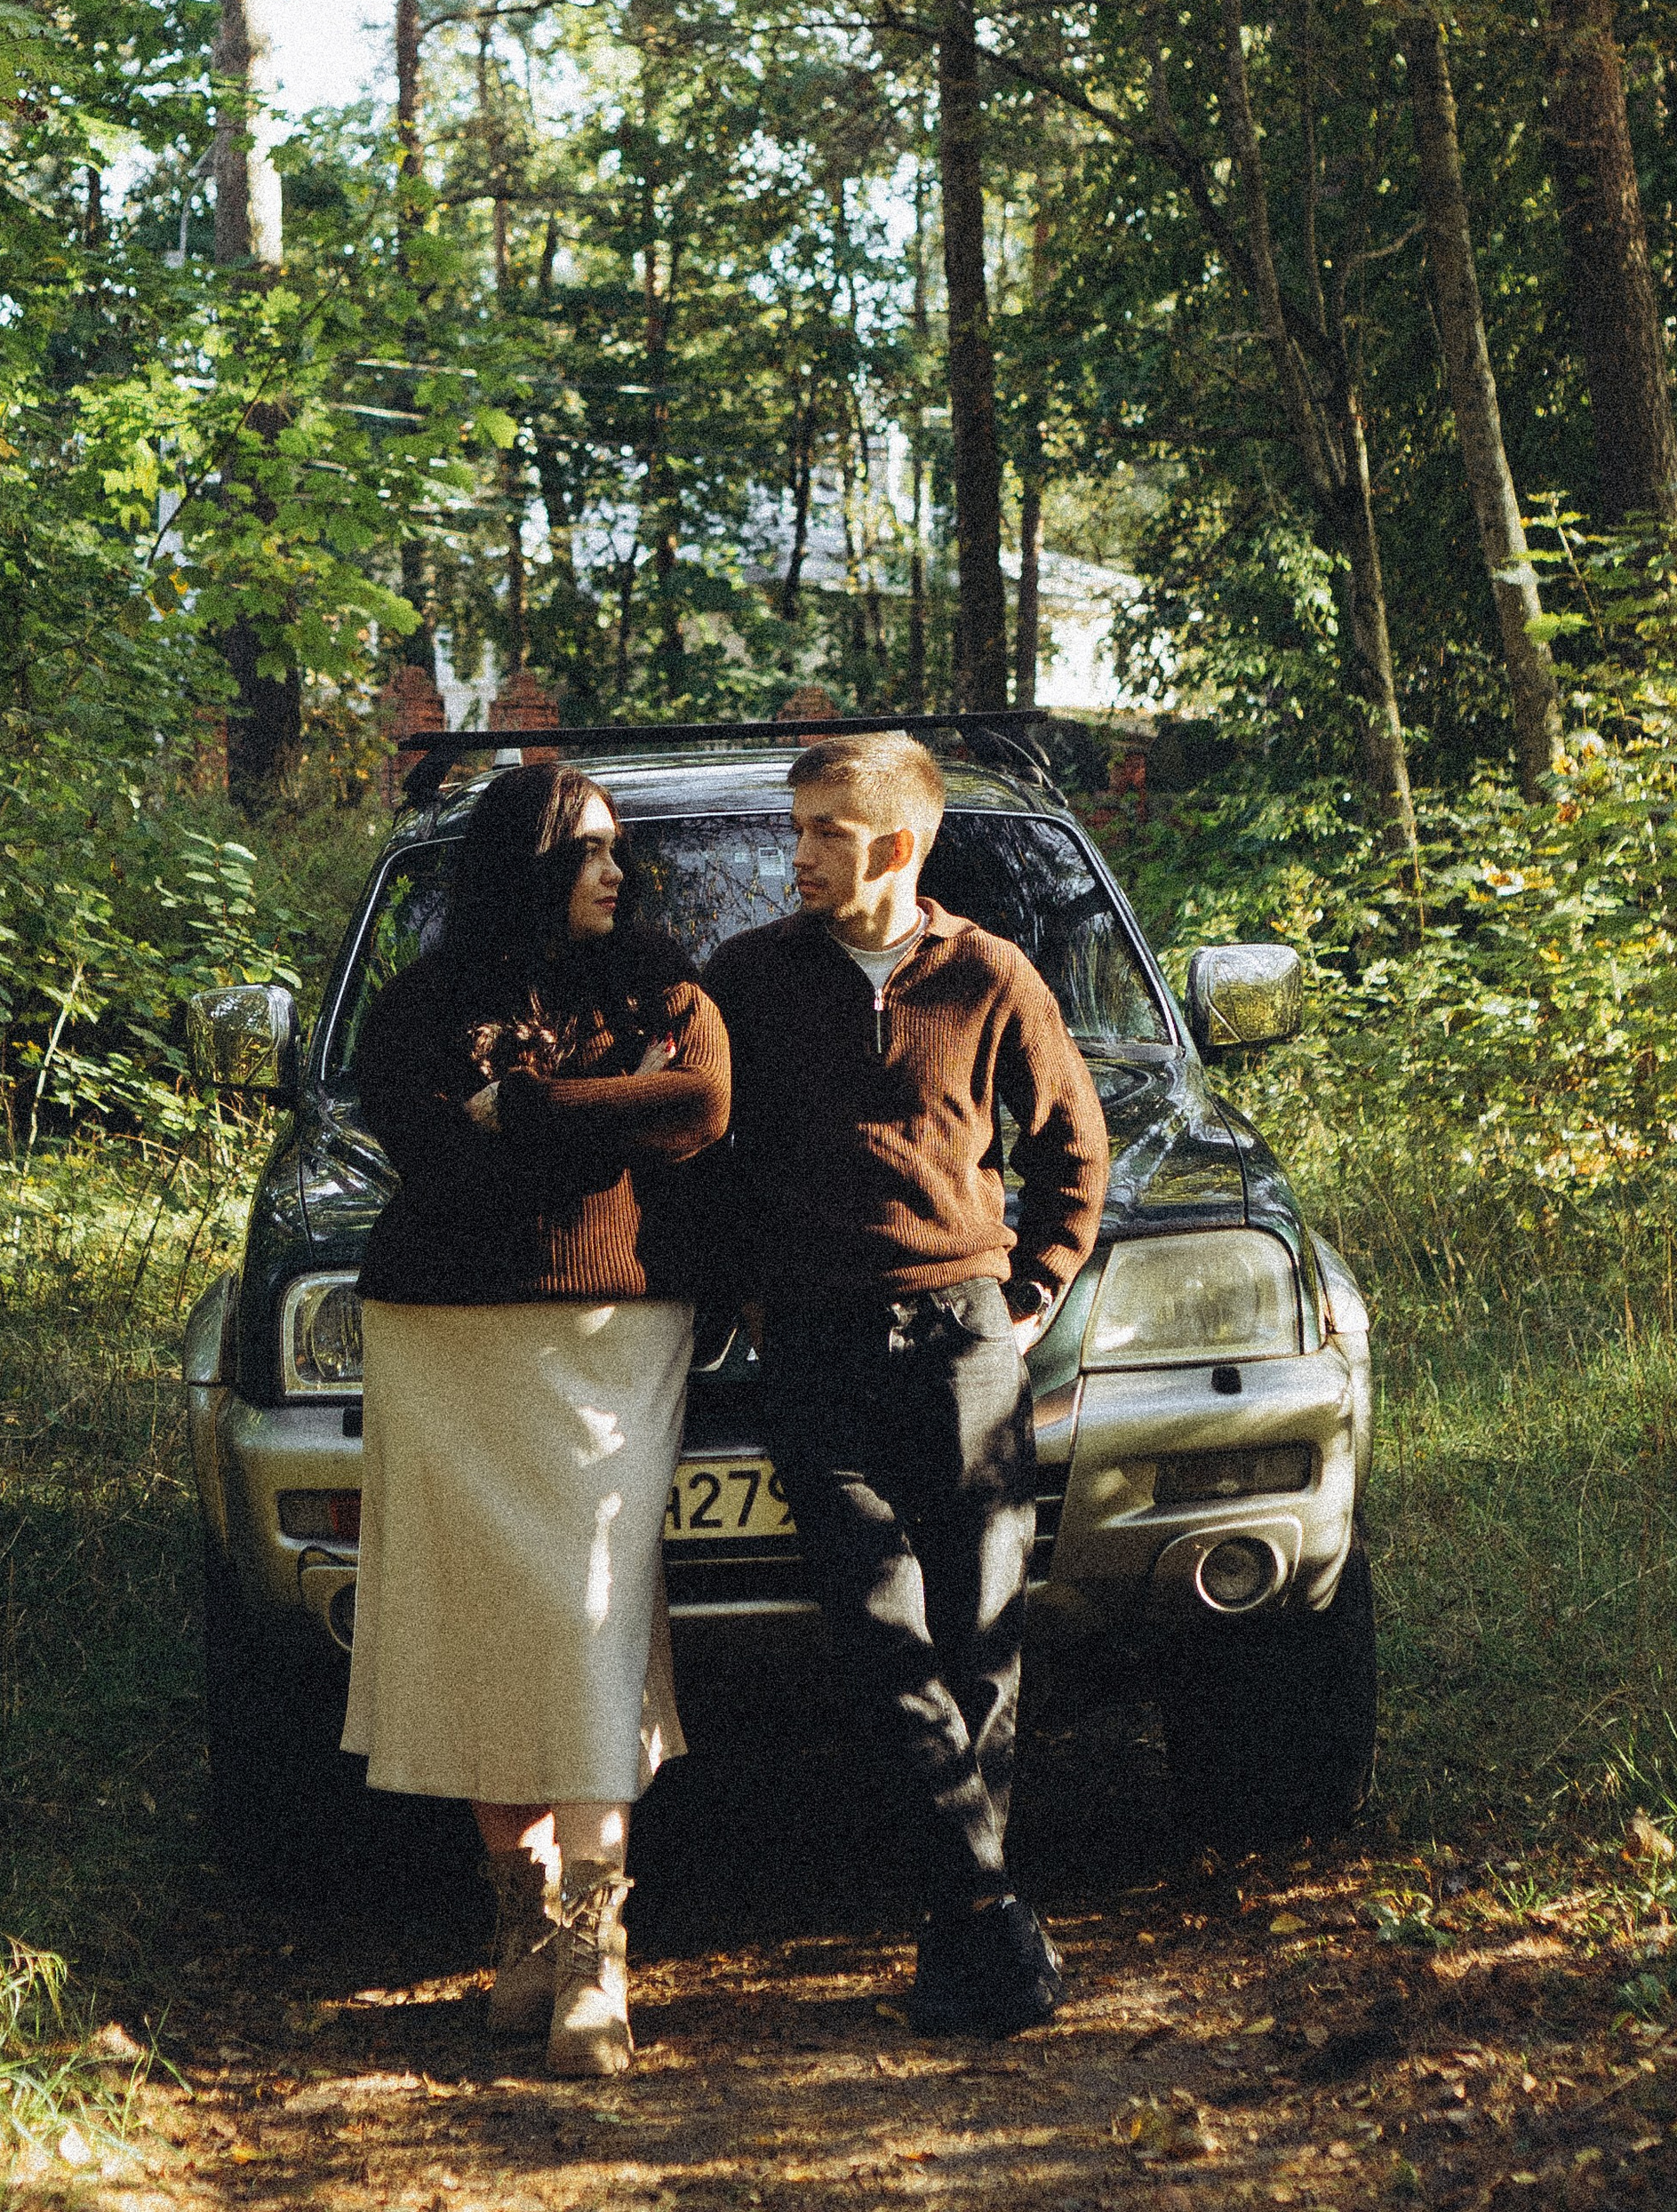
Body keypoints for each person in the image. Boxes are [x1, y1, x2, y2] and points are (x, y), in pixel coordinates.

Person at [704, 731, 1109, 2039]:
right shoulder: (748, 980)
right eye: (800, 828)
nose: (799, 853)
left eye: (825, 830)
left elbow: (1071, 1150)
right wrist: (749, 1294)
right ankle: (993, 1907)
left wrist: (1033, 1288)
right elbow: (705, 1158)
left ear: (896, 844)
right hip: (815, 1346)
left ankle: (960, 1938)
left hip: (961, 1343)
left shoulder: (992, 977)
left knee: (983, 1638)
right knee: (883, 1638)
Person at [342, 760, 731, 2077]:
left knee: (587, 1622)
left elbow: (701, 1109)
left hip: (609, 1338)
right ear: (528, 864)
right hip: (440, 1337)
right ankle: (521, 1941)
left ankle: (593, 1961)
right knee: (476, 1630)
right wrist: (597, 1127)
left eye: (617, 853)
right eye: (589, 853)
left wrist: (528, 1105)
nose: (615, 874)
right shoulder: (416, 1006)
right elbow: (436, 1162)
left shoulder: (664, 990)